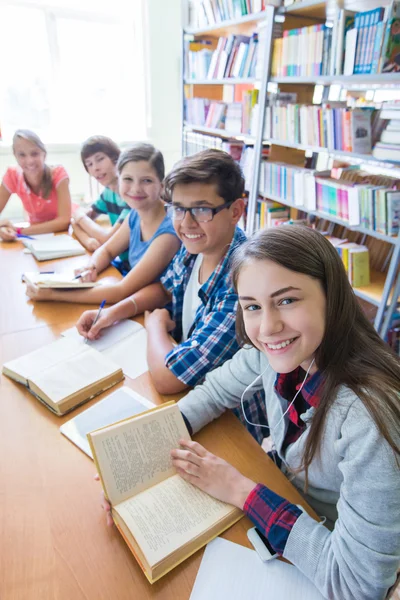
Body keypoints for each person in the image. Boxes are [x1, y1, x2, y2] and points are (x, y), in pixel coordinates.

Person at [170, 225, 400, 600]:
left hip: (330, 547)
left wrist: (239, 488)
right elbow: (211, 393)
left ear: (332, 296)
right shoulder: (278, 352)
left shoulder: (367, 415)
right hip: (297, 506)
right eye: (252, 307)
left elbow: (356, 585)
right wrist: (144, 450)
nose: (267, 327)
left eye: (288, 300)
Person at [75, 149, 247, 395]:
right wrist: (113, 313)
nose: (186, 223)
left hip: (225, 417)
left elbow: (170, 380)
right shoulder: (197, 244)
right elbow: (165, 288)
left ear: (236, 211)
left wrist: (154, 325)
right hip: (183, 377)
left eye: (201, 209)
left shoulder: (243, 284)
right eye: (178, 208)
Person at [25, 143, 180, 304]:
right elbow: (107, 251)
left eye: (146, 180)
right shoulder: (136, 214)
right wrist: (91, 268)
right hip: (131, 299)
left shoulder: (168, 233)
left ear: (161, 185)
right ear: (118, 180)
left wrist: (52, 294)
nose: (136, 188)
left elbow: (121, 291)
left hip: (151, 311)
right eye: (127, 179)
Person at [71, 136, 131, 268]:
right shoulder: (108, 193)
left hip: (136, 268)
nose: (95, 168)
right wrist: (88, 241)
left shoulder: (131, 195)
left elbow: (107, 238)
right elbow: (74, 223)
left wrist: (79, 215)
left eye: (100, 159)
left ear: (116, 159)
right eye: (89, 164)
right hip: (122, 263)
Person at [0, 129, 71, 240]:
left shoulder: (58, 174)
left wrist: (19, 231)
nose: (30, 161)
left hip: (65, 233)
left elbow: (64, 221)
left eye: (34, 154)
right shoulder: (12, 175)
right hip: (36, 235)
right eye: (22, 155)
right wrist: (3, 228)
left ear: (44, 154)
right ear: (15, 156)